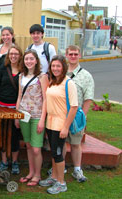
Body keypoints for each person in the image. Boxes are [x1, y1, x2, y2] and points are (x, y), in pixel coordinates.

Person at [39, 55, 78, 195]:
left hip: (60, 124)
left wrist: (66, 127)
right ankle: (54, 177)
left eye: (58, 66)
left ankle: (61, 183)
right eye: (53, 66)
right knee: (54, 152)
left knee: (58, 153)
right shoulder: (53, 82)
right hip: (50, 123)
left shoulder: (69, 83)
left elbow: (74, 107)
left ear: (63, 67)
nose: (55, 69)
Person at [16, 50, 49, 185]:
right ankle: (30, 172)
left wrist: (42, 119)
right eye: (26, 59)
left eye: (31, 59)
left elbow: (46, 99)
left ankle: (37, 174)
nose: (28, 61)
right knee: (28, 145)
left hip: (37, 116)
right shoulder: (21, 76)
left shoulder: (42, 77)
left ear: (36, 61)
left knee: (36, 148)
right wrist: (17, 115)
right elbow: (19, 96)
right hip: (24, 115)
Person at [65, 45, 94, 182]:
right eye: (70, 54)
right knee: (62, 143)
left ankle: (77, 169)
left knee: (76, 143)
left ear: (79, 55)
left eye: (75, 54)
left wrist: (84, 117)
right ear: (66, 55)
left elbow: (88, 98)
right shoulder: (61, 72)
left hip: (77, 116)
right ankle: (60, 166)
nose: (73, 56)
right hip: (62, 114)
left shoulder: (86, 75)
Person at [0, 45, 23, 174]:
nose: (13, 56)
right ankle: (4, 161)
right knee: (3, 135)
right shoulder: (3, 68)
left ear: (20, 56)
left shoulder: (23, 71)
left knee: (15, 136)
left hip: (15, 108)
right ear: (8, 55)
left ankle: (15, 162)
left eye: (16, 54)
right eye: (11, 54)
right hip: (1, 107)